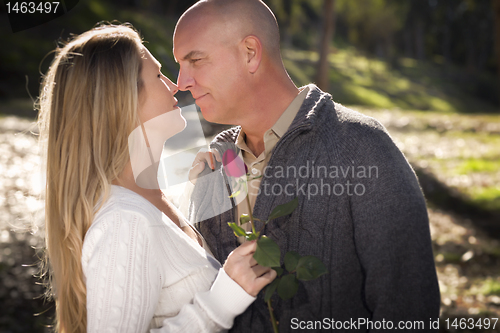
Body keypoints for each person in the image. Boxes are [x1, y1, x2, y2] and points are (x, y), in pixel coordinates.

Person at [174, 0, 441, 332]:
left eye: (195, 60)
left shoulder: (361, 147)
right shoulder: (214, 164)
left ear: (250, 53)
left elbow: (409, 309)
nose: (181, 81)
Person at [37, 23, 276, 333]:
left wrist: (199, 195)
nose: (175, 86)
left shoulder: (148, 200)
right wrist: (220, 303)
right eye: (158, 76)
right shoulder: (125, 221)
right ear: (123, 100)